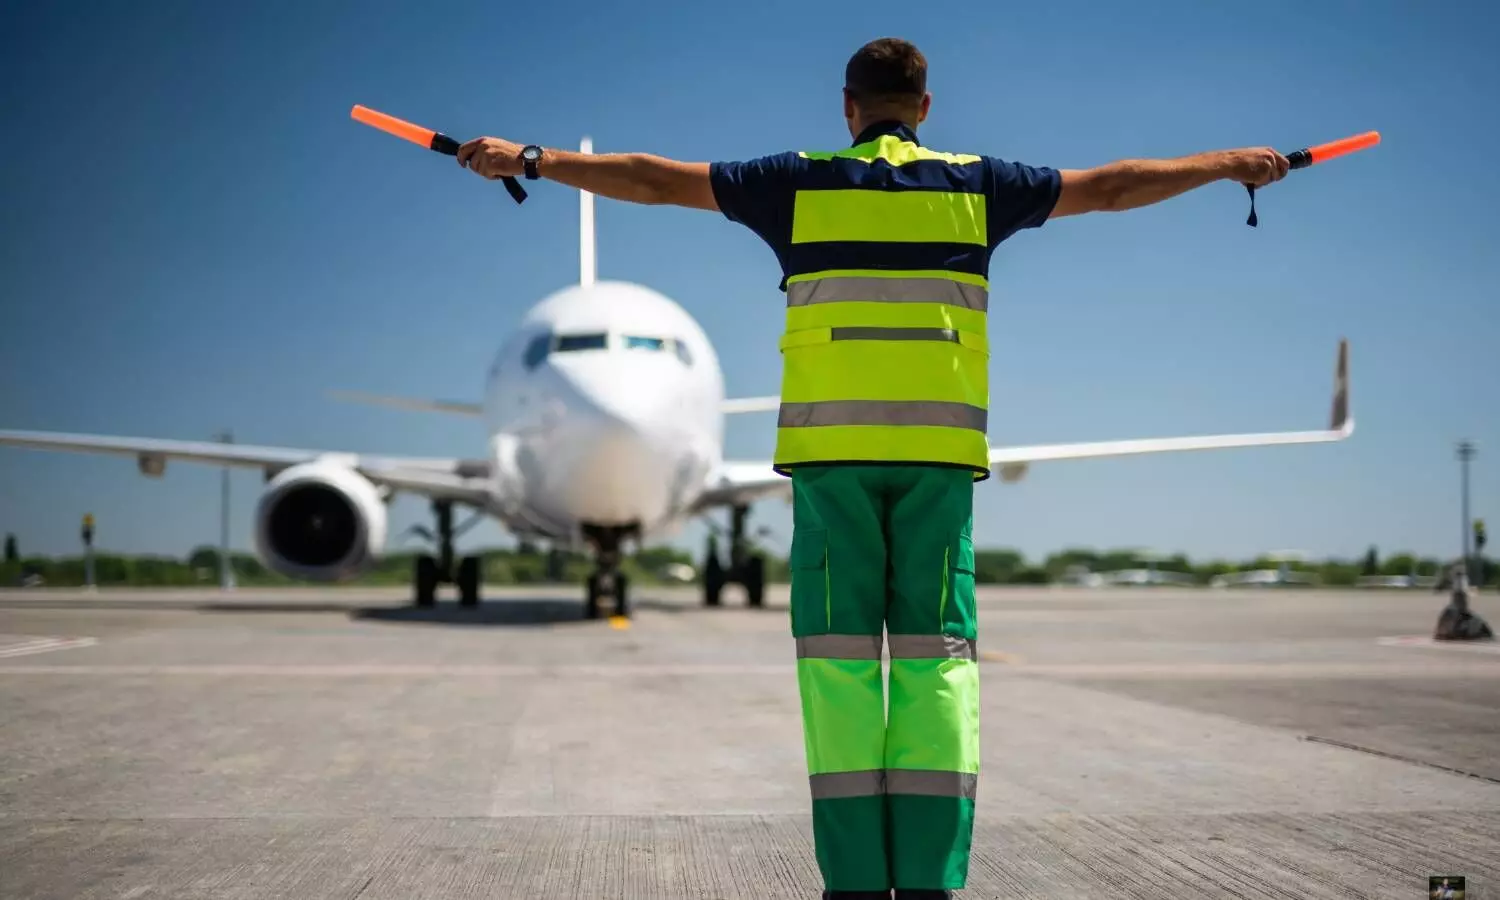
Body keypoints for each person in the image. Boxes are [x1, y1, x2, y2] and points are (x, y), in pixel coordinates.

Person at [455, 37, 1289, 899]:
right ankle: (927, 883)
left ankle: (853, 884)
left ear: (847, 108)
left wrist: (533, 160)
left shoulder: (798, 182)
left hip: (832, 464)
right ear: (926, 108)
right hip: (935, 464)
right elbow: (1113, 187)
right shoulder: (979, 186)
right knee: (936, 671)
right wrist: (1226, 164)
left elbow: (657, 179)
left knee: (840, 673)